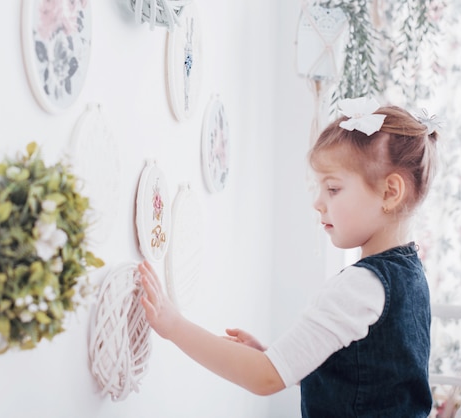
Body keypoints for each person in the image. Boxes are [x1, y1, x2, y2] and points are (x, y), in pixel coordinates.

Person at [139, 96, 439, 417]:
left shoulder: (361, 285)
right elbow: (368, 375)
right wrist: (280, 358)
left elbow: (264, 378)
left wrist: (174, 326)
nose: (318, 202)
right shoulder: (410, 273)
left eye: (333, 189)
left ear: (390, 193)